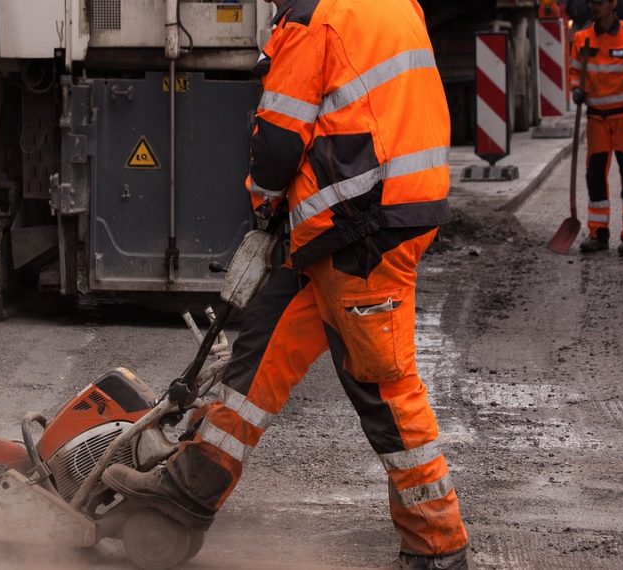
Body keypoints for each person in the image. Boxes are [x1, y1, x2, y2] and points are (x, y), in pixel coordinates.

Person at [103, 0, 470, 568]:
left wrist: (265, 206)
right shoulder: (398, 6)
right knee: (260, 349)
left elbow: (278, 141)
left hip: (360, 226)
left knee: (382, 386)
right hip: (359, 217)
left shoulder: (311, 19)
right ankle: (189, 489)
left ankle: (438, 544)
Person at [569, 0, 623, 256]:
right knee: (595, 176)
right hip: (597, 119)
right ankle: (598, 233)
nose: (595, 7)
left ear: (612, 5)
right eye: (592, 2)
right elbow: (575, 72)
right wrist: (576, 90)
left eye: (600, 2)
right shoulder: (582, 38)